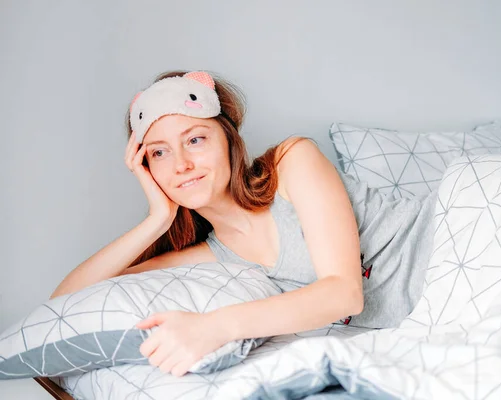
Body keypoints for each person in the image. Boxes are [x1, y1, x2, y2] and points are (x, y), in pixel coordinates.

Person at [49, 70, 437, 377]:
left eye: (195, 139)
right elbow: (64, 304)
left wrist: (212, 327)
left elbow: (343, 294)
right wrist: (158, 217)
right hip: (439, 307)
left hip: (456, 239)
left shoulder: (292, 162)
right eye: (160, 153)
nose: (181, 164)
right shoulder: (210, 258)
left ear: (229, 140)